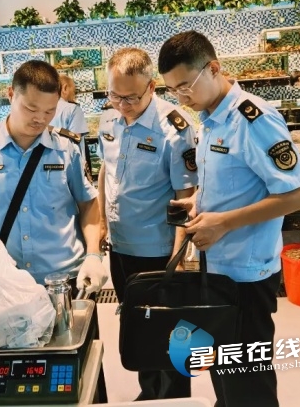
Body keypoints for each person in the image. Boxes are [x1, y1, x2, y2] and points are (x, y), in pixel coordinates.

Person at [159, 30, 300, 407]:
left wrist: (224, 223)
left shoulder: (252, 119)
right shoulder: (210, 119)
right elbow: (236, 184)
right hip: (218, 271)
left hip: (246, 277)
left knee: (249, 388)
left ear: (213, 68)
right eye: (173, 90)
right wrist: (197, 203)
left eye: (185, 86)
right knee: (227, 378)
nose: (181, 98)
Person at [0, 60, 108, 296]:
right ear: (11, 95)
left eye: (49, 111)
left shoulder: (66, 148)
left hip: (65, 276)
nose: (40, 119)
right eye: (31, 109)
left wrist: (93, 254)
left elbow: (88, 203)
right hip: (6, 279)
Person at [97, 47, 198, 401]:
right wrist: (102, 223)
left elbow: (186, 195)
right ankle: (150, 393)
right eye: (114, 95)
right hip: (120, 246)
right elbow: (106, 172)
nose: (122, 105)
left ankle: (174, 399)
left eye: (131, 98)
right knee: (137, 324)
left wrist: (178, 256)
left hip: (157, 250)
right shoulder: (107, 120)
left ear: (151, 87)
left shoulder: (174, 128)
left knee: (168, 331)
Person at [50, 75, 89, 152]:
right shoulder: (73, 109)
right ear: (65, 88)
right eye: (74, 91)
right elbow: (76, 141)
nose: (74, 95)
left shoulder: (44, 108)